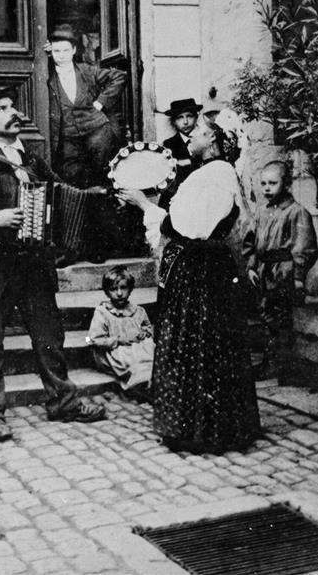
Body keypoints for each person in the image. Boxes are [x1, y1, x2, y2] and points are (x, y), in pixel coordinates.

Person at [0, 85, 107, 442]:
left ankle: (63, 401)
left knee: (50, 338)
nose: (14, 111)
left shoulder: (28, 155)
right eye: (3, 107)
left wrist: (89, 198)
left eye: (13, 105)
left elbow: (59, 189)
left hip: (34, 265)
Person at [117, 116, 261, 454]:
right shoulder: (210, 174)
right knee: (201, 344)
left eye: (196, 132)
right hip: (198, 271)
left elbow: (186, 228)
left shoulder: (215, 175)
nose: (190, 135)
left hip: (201, 275)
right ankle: (201, 425)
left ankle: (202, 430)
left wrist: (144, 205)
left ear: (212, 140)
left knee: (197, 344)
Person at [47, 24, 128, 263]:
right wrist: (42, 53)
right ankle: (73, 248)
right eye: (55, 51)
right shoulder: (47, 76)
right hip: (68, 141)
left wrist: (101, 103)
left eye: (64, 50)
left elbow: (119, 76)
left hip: (97, 136)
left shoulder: (87, 71)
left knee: (100, 188)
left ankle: (99, 247)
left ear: (73, 51)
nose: (60, 56)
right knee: (73, 190)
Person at [243, 160, 318, 382]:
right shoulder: (261, 212)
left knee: (282, 320)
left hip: (283, 272)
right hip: (265, 271)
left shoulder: (297, 212)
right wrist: (252, 266)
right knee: (266, 317)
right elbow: (251, 242)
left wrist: (297, 277)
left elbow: (304, 247)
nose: (267, 188)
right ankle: (270, 362)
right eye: (263, 183)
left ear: (286, 185)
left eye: (273, 183)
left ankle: (286, 366)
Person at [87, 265, 154, 392]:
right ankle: (138, 383)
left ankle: (150, 378)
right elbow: (91, 339)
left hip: (137, 347)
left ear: (130, 289)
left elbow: (147, 326)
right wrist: (118, 340)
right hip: (114, 349)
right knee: (126, 356)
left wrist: (145, 333)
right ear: (107, 292)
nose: (119, 293)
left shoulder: (138, 311)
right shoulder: (102, 312)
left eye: (123, 288)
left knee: (150, 346)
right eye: (113, 289)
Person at [158, 98, 203, 210]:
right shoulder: (169, 145)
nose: (185, 122)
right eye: (180, 118)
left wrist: (188, 162)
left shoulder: (203, 140)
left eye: (189, 116)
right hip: (178, 199)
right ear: (173, 122)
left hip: (200, 194)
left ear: (196, 117)